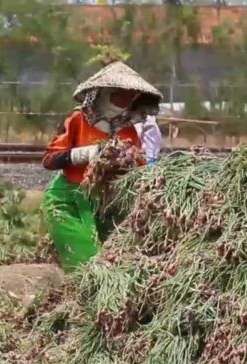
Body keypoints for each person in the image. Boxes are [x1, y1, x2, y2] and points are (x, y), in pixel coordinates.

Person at [42, 62, 162, 273]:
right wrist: (89, 153)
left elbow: (139, 171)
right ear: (104, 94)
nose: (125, 101)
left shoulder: (128, 131)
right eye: (119, 95)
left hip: (107, 206)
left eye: (130, 96)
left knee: (116, 264)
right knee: (89, 266)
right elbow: (49, 160)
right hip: (69, 202)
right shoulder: (77, 120)